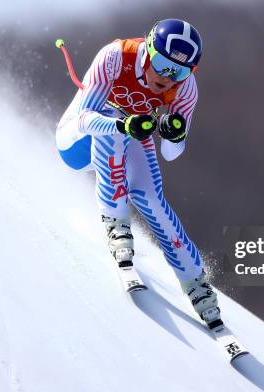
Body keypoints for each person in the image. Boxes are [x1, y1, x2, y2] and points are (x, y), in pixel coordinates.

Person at [55, 19, 220, 325]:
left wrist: (175, 134)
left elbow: (171, 155)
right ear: (147, 52)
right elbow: (82, 120)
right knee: (116, 129)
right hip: (76, 143)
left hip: (128, 135)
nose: (168, 78)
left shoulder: (185, 89)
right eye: (161, 64)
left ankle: (195, 281)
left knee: (150, 198)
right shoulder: (116, 56)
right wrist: (122, 124)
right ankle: (116, 225)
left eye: (180, 72)